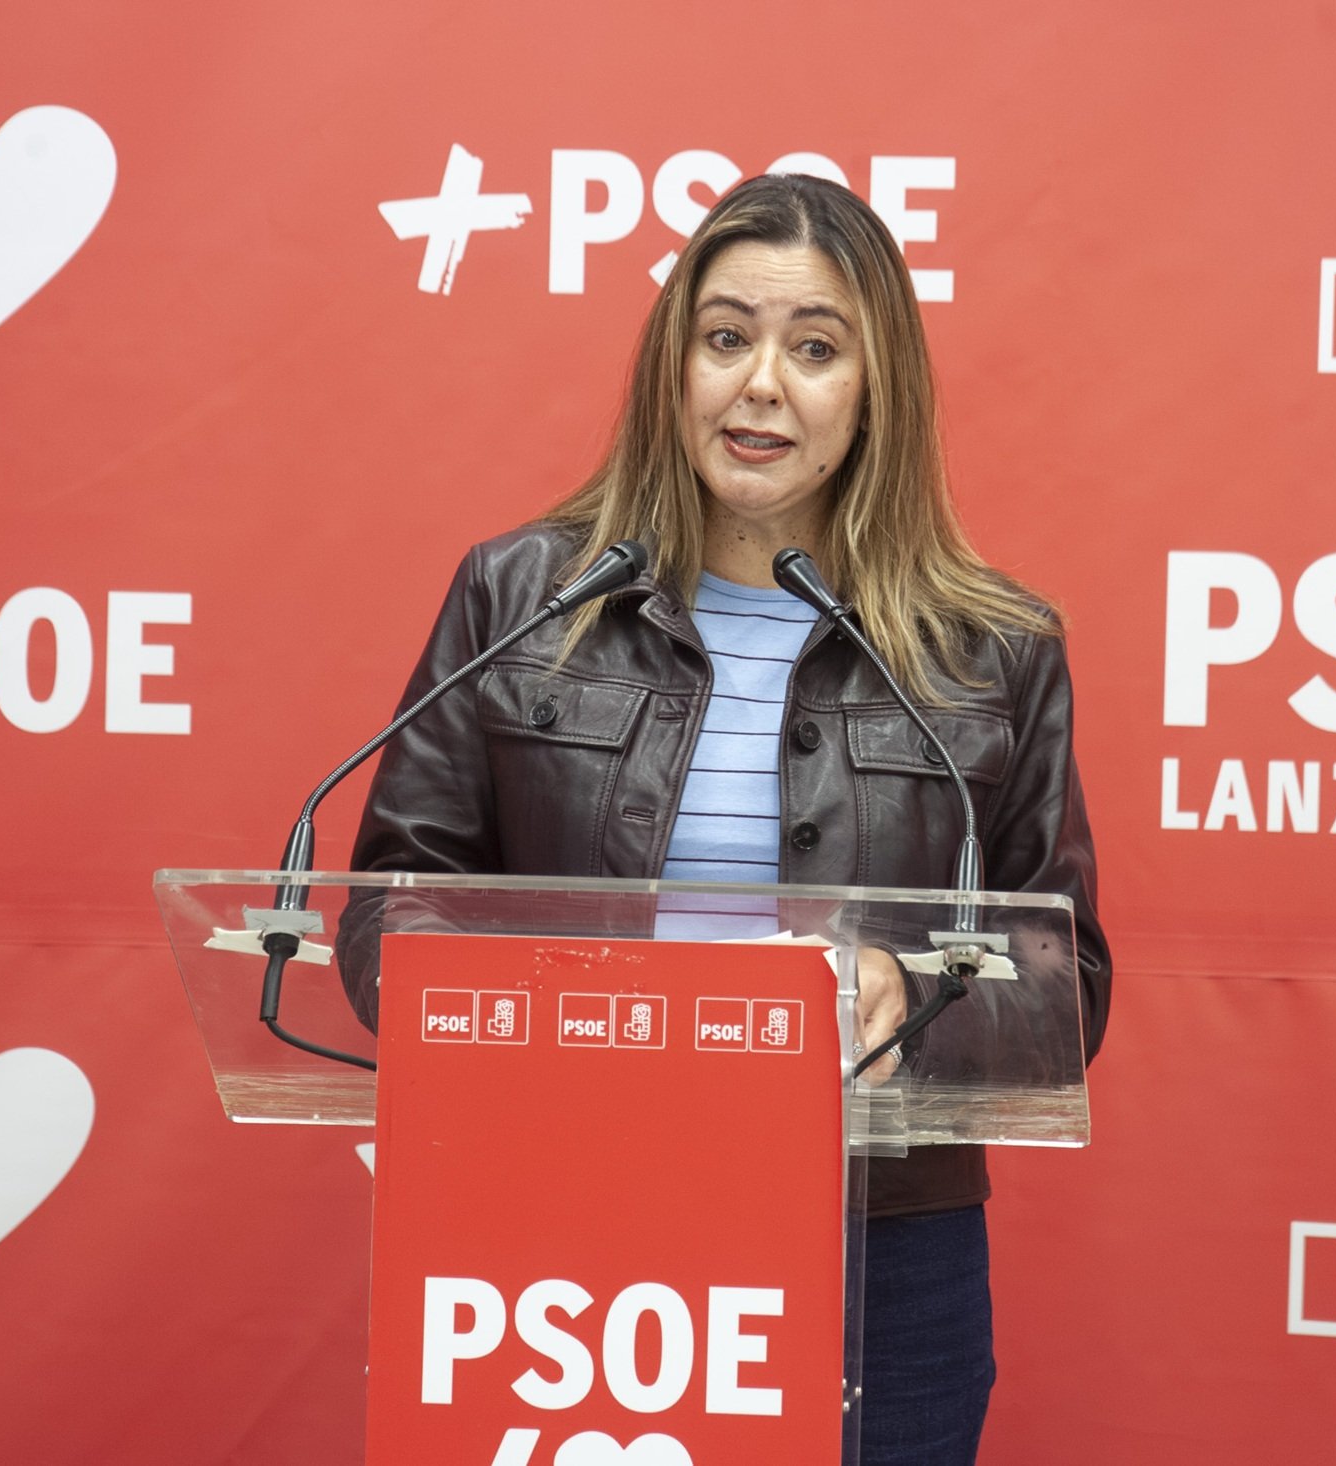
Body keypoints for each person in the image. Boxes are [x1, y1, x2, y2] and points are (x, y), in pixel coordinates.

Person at [336, 171, 1109, 1466]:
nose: (760, 385)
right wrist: (534, 1004)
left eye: (815, 349)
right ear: (673, 365)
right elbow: (392, 903)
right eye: (726, 336)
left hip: (880, 1241)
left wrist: (906, 995)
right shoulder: (521, 596)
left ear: (877, 389)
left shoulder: (991, 650)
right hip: (554, 1213)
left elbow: (1063, 984)